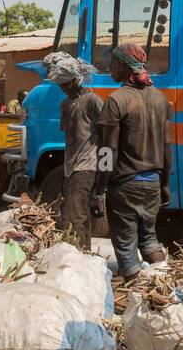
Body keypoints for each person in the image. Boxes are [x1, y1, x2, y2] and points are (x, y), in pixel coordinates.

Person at [94, 44, 172, 279]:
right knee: (149, 239)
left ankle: (137, 294)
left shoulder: (116, 101)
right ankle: (164, 281)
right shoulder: (160, 99)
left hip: (126, 185)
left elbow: (109, 149)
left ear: (123, 66)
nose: (110, 69)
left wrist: (100, 189)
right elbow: (168, 147)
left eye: (114, 65)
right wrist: (165, 183)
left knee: (126, 245)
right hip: (153, 183)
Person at [42, 52, 102, 250]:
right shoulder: (65, 105)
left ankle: (78, 258)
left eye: (66, 84)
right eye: (61, 85)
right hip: (71, 168)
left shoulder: (92, 101)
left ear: (76, 80)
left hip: (87, 167)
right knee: (76, 217)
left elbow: (107, 136)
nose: (64, 88)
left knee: (74, 218)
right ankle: (85, 256)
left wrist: (105, 171)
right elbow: (70, 141)